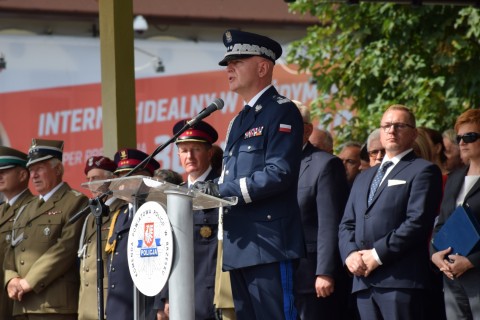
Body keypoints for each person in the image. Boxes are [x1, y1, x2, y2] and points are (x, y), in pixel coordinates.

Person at [194, 29, 305, 320]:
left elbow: (279, 172)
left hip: (269, 244)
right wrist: (203, 190)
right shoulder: (238, 121)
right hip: (240, 244)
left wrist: (222, 191)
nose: (229, 67)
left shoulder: (282, 111)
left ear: (263, 67)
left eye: (238, 60)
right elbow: (231, 176)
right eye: (228, 62)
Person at [338, 105, 443, 319]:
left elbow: (417, 223)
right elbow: (347, 224)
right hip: (363, 283)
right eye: (386, 125)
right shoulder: (364, 177)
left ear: (413, 133)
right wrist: (349, 255)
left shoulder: (423, 170)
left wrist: (376, 255)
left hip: (401, 281)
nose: (391, 131)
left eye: (399, 125)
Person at [4, 138, 89, 319]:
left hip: (53, 306)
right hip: (21, 304)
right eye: (31, 170)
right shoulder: (26, 207)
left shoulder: (75, 201)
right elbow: (11, 249)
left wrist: (29, 282)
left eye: (39, 169)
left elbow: (66, 248)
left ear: (58, 169)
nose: (33, 175)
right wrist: (11, 280)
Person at [292, 101, 351, 320]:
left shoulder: (325, 164)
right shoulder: (271, 166)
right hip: (278, 275)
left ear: (307, 130)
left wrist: (325, 271)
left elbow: (330, 223)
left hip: (312, 277)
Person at [173, 119, 225, 320]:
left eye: (195, 149)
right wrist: (164, 299)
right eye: (184, 150)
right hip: (179, 296)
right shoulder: (173, 195)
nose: (190, 156)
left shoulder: (222, 189)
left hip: (212, 295)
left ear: (210, 153)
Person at [431, 109, 480, 319]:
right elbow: (441, 224)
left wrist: (471, 261)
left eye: (469, 136)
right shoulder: (454, 178)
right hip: (452, 278)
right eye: (459, 137)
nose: (462, 142)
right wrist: (434, 255)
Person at [104, 148, 160, 320]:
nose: (124, 182)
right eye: (121, 176)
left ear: (147, 179)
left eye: (131, 175)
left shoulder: (155, 213)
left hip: (144, 307)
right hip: (117, 308)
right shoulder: (119, 215)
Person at [78, 156, 125, 320]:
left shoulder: (123, 210)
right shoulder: (91, 215)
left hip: (110, 302)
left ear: (112, 179)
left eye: (96, 178)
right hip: (87, 305)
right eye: (88, 179)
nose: (91, 184)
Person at [0, 146, 35, 320]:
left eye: (4, 172)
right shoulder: (1, 210)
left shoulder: (34, 208)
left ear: (22, 175)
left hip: (17, 299)